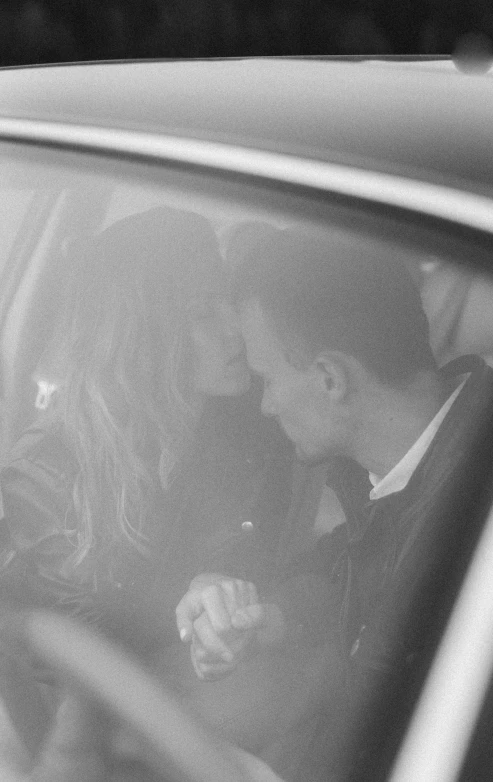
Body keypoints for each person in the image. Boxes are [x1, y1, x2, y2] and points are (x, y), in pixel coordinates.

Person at [176, 227, 493, 780]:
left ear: (331, 378)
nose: (263, 405)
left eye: (266, 378)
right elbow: (342, 571)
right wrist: (261, 615)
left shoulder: (484, 524)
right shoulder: (407, 472)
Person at [0, 205, 295, 774]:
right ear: (143, 335)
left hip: (205, 717)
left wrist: (226, 612)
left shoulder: (253, 431)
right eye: (199, 314)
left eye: (224, 299)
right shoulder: (43, 485)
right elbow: (40, 692)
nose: (232, 328)